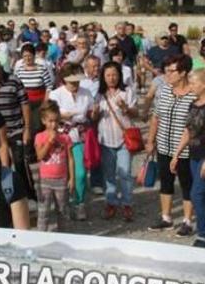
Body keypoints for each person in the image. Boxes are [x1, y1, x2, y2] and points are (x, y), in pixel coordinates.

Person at [170, 70, 205, 249]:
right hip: (194, 155)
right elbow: (188, 131)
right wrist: (177, 153)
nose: (191, 86)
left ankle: (203, 234)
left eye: (194, 83)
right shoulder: (193, 104)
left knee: (197, 194)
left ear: (204, 84)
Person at [146, 56, 196, 235]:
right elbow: (156, 116)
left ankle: (187, 220)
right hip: (164, 145)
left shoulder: (193, 95)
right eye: (165, 69)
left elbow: (194, 125)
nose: (166, 74)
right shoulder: (165, 90)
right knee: (165, 181)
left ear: (183, 73)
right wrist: (150, 141)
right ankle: (166, 217)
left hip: (185, 149)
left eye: (171, 70)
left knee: (187, 183)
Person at [0, 58, 36, 200]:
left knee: (20, 163)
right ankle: (3, 194)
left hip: (15, 129)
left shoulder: (14, 81)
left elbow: (25, 105)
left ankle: (29, 194)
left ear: (0, 71)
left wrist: (27, 129)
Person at [48, 64, 95, 221]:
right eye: (72, 81)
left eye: (77, 81)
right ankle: (62, 204)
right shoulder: (55, 94)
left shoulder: (86, 93)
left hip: (80, 135)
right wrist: (62, 117)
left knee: (80, 173)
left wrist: (94, 113)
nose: (75, 84)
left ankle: (79, 203)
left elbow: (90, 113)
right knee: (62, 172)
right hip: (61, 136)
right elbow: (49, 115)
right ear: (64, 80)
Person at [95, 61, 138, 222]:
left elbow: (136, 113)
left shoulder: (127, 92)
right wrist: (94, 113)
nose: (111, 78)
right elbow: (94, 118)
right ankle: (111, 202)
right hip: (105, 140)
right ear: (103, 77)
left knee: (125, 173)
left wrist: (126, 108)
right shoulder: (99, 94)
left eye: (114, 74)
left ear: (119, 75)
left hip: (124, 140)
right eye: (108, 75)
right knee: (109, 174)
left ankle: (127, 203)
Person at [35, 101, 74, 232]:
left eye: (56, 121)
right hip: (44, 180)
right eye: (50, 121)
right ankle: (41, 236)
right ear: (43, 120)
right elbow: (39, 156)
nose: (53, 124)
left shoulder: (65, 138)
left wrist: (72, 178)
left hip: (61, 180)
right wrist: (49, 141)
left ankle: (63, 236)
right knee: (43, 211)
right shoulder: (39, 137)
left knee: (62, 210)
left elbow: (70, 158)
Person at [13, 43, 54, 126]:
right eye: (25, 56)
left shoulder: (42, 69)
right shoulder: (19, 70)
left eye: (29, 56)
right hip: (24, 102)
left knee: (37, 125)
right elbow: (16, 87)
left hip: (39, 103)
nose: (27, 58)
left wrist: (45, 101)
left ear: (34, 56)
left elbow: (49, 86)